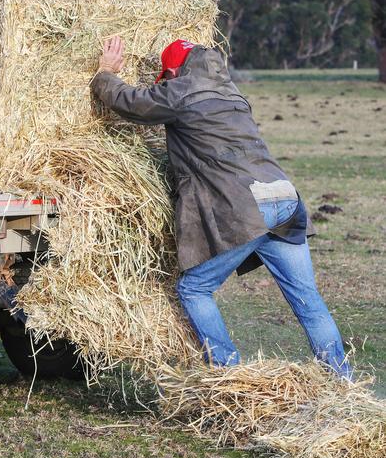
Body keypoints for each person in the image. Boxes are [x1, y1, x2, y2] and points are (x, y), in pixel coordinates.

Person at [90, 36, 351, 378]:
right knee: (309, 302)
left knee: (193, 288)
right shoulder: (233, 94)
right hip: (284, 197)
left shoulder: (181, 91)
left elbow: (129, 102)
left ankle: (228, 376)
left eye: (165, 77)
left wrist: (106, 73)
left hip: (246, 205)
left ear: (173, 71)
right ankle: (341, 382)